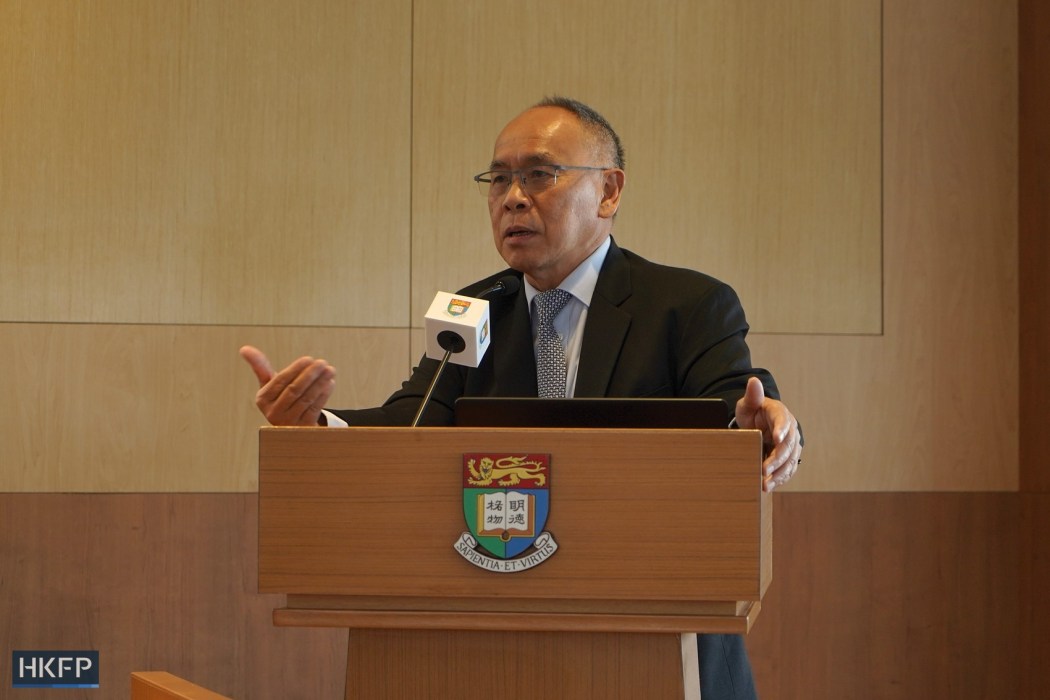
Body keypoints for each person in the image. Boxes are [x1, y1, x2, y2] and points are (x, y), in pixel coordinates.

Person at [241, 96, 801, 699]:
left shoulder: (687, 305)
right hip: (490, 643)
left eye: (539, 174)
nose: (512, 197)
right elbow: (414, 422)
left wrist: (761, 424)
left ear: (609, 192)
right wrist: (318, 427)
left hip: (658, 640)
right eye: (498, 179)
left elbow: (736, 404)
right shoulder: (473, 310)